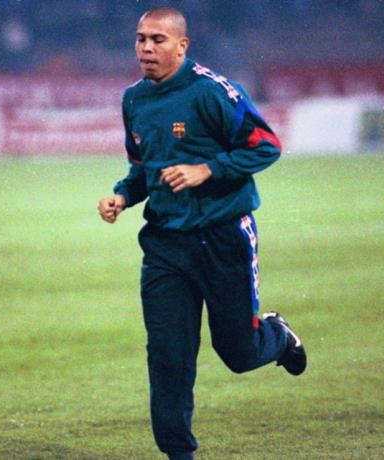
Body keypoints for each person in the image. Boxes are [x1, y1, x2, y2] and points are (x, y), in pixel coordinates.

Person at [97, 7, 306, 459]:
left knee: (238, 353)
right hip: (165, 246)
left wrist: (207, 169)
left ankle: (278, 336)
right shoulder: (133, 100)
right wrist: (123, 196)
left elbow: (266, 146)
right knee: (167, 356)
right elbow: (143, 169)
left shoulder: (212, 91)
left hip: (223, 237)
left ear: (182, 45)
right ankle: (179, 453)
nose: (146, 48)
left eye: (157, 39)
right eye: (140, 39)